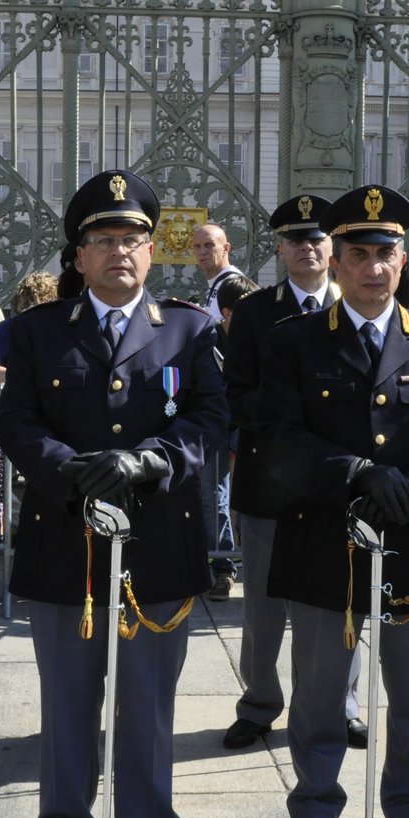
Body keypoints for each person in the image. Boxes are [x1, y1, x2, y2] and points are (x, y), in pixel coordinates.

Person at [0, 169, 227, 818]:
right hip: (67, 541)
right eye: (103, 239)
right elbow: (16, 423)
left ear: (153, 252)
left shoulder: (189, 329)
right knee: (67, 700)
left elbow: (211, 420)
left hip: (158, 542)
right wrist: (75, 470)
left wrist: (152, 457)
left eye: (133, 238)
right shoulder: (36, 332)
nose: (120, 251)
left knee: (149, 701)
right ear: (78, 255)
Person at [259, 185, 409, 818]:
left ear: (403, 257)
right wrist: (356, 471)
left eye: (385, 252)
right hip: (324, 540)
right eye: (357, 253)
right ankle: (316, 817)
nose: (372, 266)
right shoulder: (293, 341)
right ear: (336, 258)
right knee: (321, 693)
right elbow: (278, 440)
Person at [220, 194, 367, 754]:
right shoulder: (257, 313)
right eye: (296, 239)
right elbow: (238, 394)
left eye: (318, 239)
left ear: (333, 249)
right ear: (280, 249)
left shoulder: (358, 303)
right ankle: (259, 704)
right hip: (272, 485)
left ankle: (339, 704)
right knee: (263, 606)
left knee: (341, 601)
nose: (308, 247)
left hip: (338, 488)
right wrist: (298, 423)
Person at [0, 271, 62, 550]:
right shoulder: (10, 328)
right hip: (16, 417)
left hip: (57, 421)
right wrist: (25, 378)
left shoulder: (64, 328)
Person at [191, 223, 240, 597]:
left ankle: (223, 564)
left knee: (215, 489)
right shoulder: (213, 286)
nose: (203, 252)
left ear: (228, 248)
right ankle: (212, 559)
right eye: (197, 246)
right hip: (211, 401)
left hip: (226, 404)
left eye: (210, 245)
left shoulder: (230, 286)